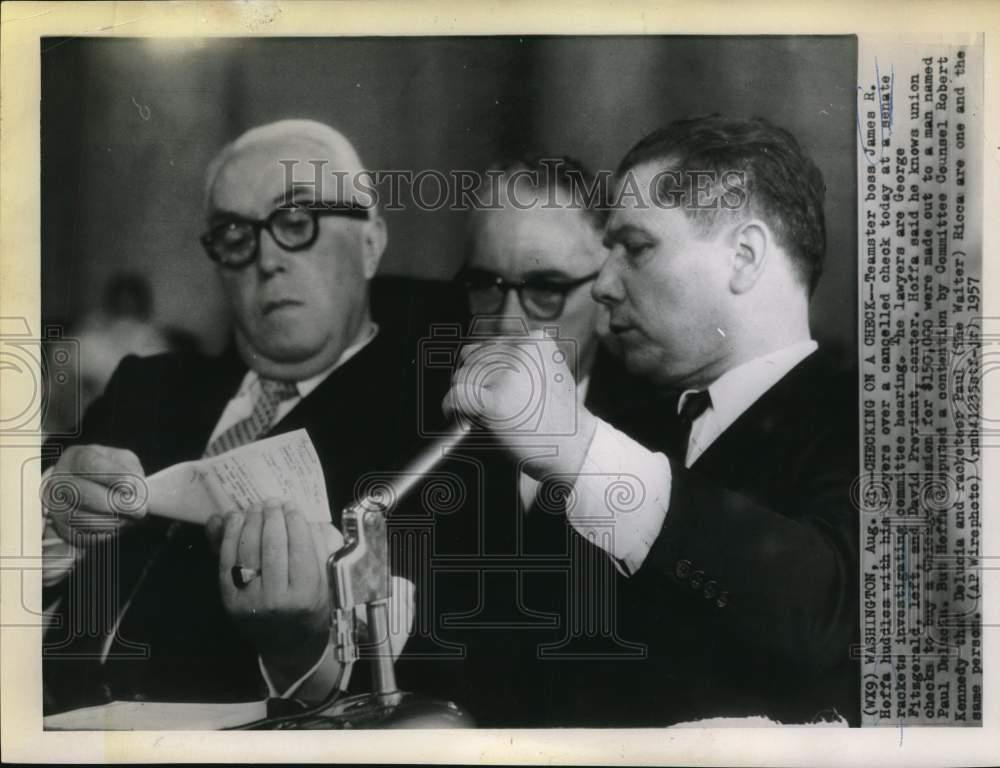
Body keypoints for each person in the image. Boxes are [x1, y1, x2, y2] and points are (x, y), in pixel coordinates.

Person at [443, 115, 860, 725]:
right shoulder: (626, 424)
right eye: (607, 253)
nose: (605, 286)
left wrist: (580, 448)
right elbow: (512, 678)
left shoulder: (888, 420)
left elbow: (826, 615)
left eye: (635, 249)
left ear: (743, 257)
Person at [41, 120, 440, 715]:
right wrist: (51, 518)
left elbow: (425, 694)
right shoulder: (144, 387)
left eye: (297, 220)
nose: (267, 258)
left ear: (371, 242)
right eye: (233, 233)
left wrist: (301, 651)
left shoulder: (434, 433)